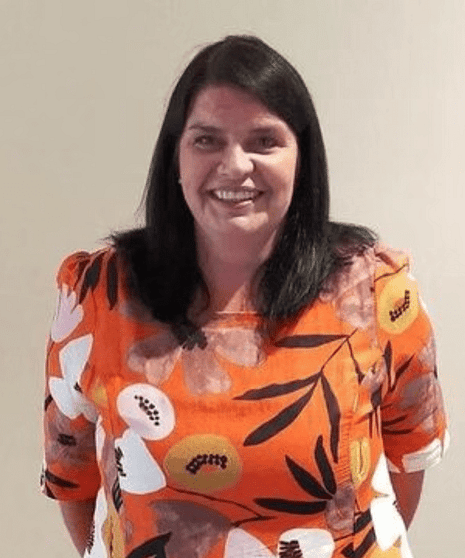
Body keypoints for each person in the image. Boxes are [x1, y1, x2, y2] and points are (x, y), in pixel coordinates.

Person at [41, 35, 448, 558]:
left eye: (264, 141)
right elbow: (71, 477)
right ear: (176, 158)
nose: (235, 165)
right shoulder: (99, 296)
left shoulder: (377, 292)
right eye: (207, 140)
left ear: (302, 158)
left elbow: (408, 461)